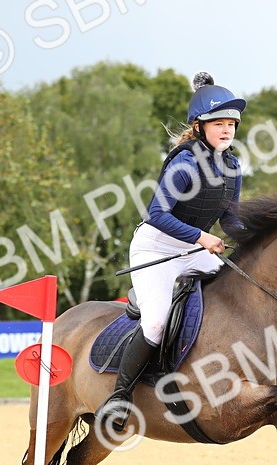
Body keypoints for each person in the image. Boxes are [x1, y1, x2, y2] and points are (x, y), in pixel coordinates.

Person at [97, 72, 247, 432]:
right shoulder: (183, 163)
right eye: (219, 124)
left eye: (232, 125)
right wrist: (201, 238)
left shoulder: (232, 168)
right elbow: (158, 215)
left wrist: (258, 240)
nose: (227, 131)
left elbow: (230, 221)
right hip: (156, 246)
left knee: (239, 291)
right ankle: (120, 396)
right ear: (199, 126)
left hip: (195, 248)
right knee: (156, 321)